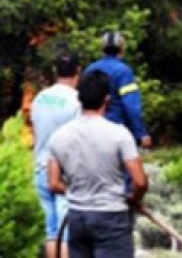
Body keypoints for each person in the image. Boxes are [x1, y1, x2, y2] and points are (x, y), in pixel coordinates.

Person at [47, 70, 148, 258]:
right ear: (107, 100)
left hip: (77, 217)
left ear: (79, 99)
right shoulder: (120, 134)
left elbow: (53, 184)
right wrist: (133, 198)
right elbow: (140, 181)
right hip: (112, 217)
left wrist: (77, 191)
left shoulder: (59, 136)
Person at [31, 52, 80, 258]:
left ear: (55, 71)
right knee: (66, 233)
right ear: (78, 72)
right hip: (64, 174)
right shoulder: (78, 101)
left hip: (40, 166)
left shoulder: (40, 97)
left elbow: (35, 131)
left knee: (51, 233)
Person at [83, 31, 151, 149]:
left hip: (89, 129)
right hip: (116, 129)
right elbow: (131, 106)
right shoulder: (123, 71)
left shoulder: (89, 69)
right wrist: (141, 133)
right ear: (122, 49)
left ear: (102, 49)